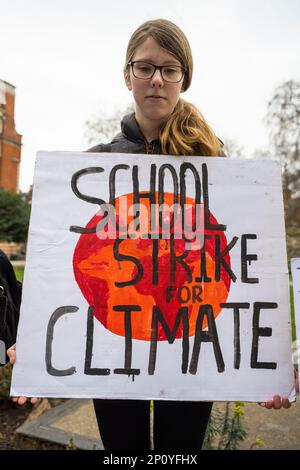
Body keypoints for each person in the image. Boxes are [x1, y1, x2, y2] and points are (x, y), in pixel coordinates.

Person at [7, 18, 297, 450]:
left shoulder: (220, 169)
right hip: (114, 348)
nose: (156, 80)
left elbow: (243, 268)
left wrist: (268, 366)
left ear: (185, 77)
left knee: (181, 455)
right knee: (123, 454)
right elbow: (57, 263)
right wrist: (30, 345)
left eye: (169, 69)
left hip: (191, 346)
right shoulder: (94, 167)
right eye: (144, 67)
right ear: (128, 75)